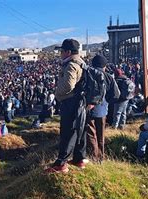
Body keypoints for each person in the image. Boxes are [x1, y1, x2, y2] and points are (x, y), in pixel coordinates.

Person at [46, 39, 88, 173]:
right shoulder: (82, 63)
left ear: (68, 52)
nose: (60, 54)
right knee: (79, 130)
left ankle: (61, 163)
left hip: (70, 102)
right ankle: (79, 158)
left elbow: (69, 85)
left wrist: (58, 94)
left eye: (62, 51)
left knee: (68, 132)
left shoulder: (71, 65)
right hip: (79, 101)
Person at [86, 55, 120, 162]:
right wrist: (106, 102)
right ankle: (101, 157)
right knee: (101, 135)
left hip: (88, 108)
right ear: (105, 66)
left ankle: (94, 156)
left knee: (91, 134)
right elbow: (116, 94)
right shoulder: (109, 77)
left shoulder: (87, 74)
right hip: (102, 110)